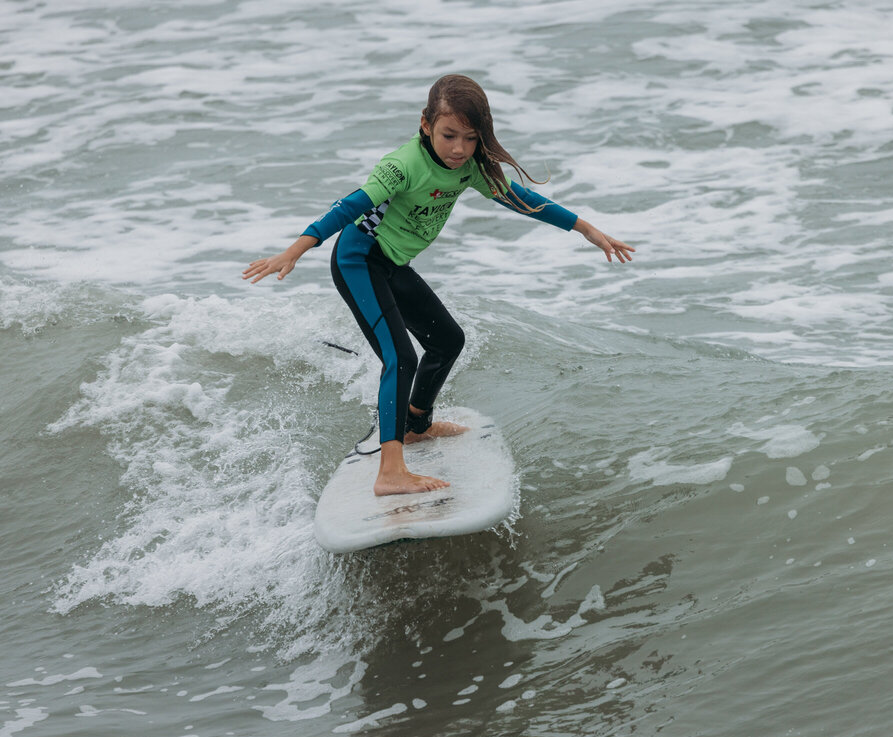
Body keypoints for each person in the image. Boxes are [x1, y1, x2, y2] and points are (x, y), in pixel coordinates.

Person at [244, 74, 634, 496]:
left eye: (470, 138)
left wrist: (586, 229)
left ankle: (415, 426)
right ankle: (390, 471)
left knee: (447, 340)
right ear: (426, 124)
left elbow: (522, 199)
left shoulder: (470, 168)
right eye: (449, 135)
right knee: (400, 357)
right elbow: (350, 205)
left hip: (393, 264)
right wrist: (296, 250)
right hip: (359, 260)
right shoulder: (402, 165)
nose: (458, 149)